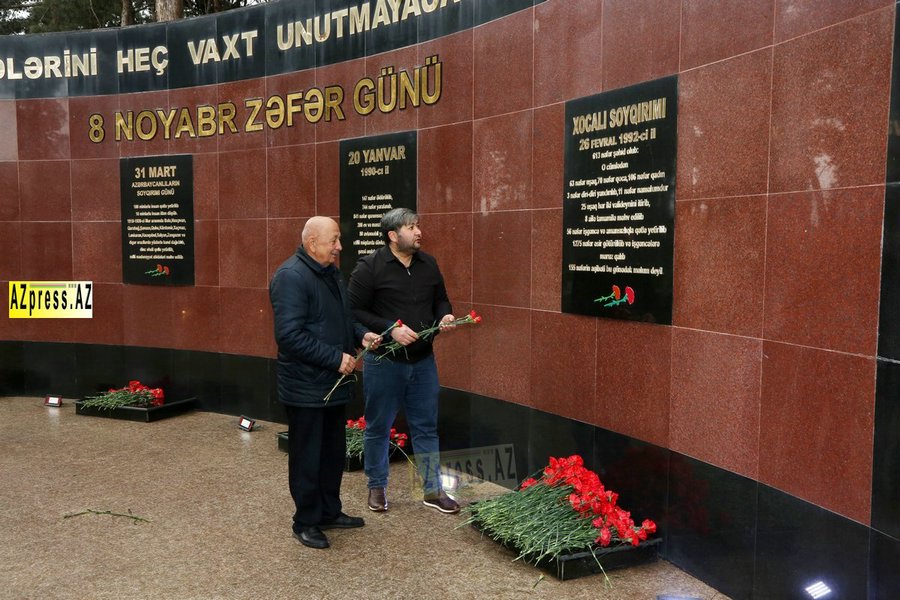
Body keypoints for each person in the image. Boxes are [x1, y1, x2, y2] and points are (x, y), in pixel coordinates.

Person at [269, 216, 381, 549]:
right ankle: (305, 521)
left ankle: (329, 511)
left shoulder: (330, 272)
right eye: (333, 240)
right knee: (307, 457)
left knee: (332, 453)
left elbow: (344, 319)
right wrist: (335, 358)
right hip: (306, 386)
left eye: (338, 239)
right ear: (312, 242)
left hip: (332, 385)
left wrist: (362, 336)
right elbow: (289, 336)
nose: (339, 247)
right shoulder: (290, 277)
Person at [348, 207, 460, 514]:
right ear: (393, 236)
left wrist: (445, 316)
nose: (419, 232)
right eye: (411, 228)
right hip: (385, 363)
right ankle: (376, 487)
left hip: (423, 362)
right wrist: (390, 329)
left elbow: (441, 299)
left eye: (417, 225)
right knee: (379, 427)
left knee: (426, 427)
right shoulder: (369, 268)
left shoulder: (429, 264)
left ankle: (433, 490)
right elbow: (354, 311)